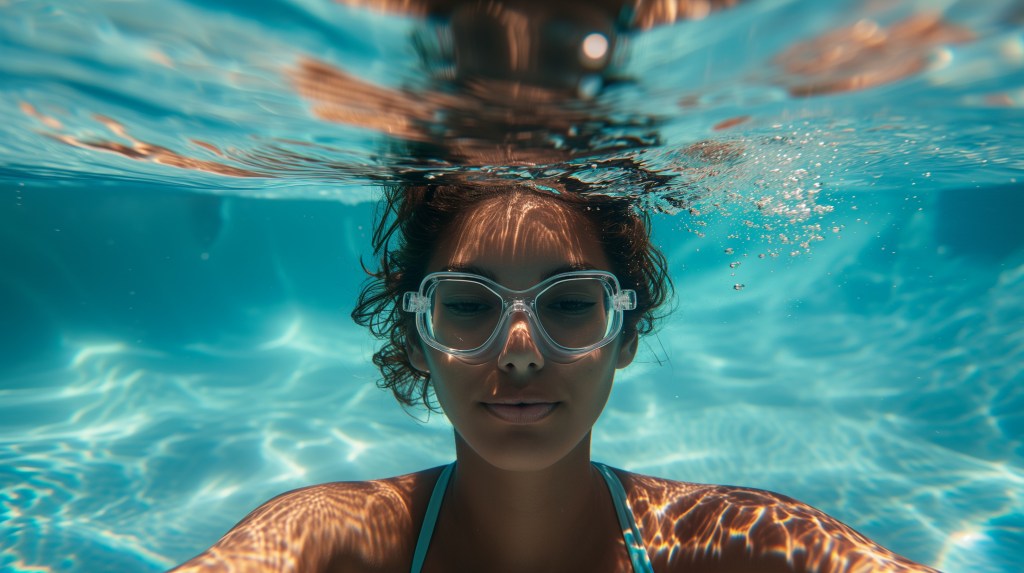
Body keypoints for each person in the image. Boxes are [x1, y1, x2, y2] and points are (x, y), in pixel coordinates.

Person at [170, 185, 941, 573]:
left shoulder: (735, 545)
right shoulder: (329, 542)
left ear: (625, 333)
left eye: (571, 303)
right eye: (467, 304)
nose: (519, 350)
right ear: (416, 336)